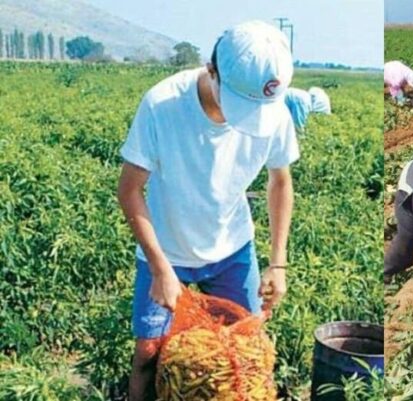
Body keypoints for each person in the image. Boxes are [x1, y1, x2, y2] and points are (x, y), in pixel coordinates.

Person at [118, 21, 298, 400]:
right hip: (166, 252)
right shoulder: (162, 105)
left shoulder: (275, 111)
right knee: (147, 355)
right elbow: (130, 190)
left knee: (247, 351)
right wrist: (160, 268)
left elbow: (280, 182)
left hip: (232, 249)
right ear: (211, 69)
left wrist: (278, 263)